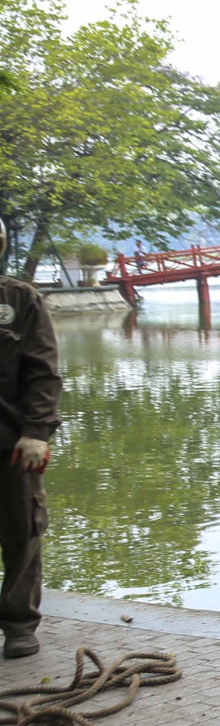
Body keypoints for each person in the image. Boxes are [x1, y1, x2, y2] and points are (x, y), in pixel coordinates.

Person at [0, 219, 61, 659]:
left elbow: (43, 371)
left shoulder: (20, 299)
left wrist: (37, 432)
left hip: (11, 441)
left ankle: (19, 624)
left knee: (22, 530)